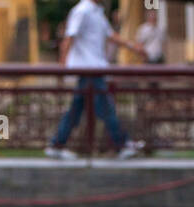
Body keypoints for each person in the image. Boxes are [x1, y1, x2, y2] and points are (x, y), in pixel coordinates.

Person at [45, 0, 147, 160]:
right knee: (105, 107)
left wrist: (133, 47)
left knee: (77, 109)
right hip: (88, 69)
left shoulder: (97, 12)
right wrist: (62, 66)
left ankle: (57, 144)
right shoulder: (82, 11)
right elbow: (69, 37)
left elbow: (111, 35)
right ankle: (122, 144)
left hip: (94, 68)